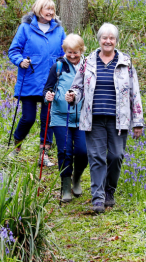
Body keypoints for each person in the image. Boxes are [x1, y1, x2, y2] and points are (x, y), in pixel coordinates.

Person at [66, 23, 144, 214]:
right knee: (96, 157)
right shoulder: (88, 62)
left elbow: (135, 93)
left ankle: (110, 190)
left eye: (112, 38)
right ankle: (98, 198)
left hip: (120, 119)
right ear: (99, 39)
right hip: (93, 118)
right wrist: (72, 96)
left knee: (116, 156)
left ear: (116, 41)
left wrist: (138, 121)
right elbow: (78, 87)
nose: (108, 41)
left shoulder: (126, 61)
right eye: (104, 38)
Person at [8, 0, 65, 166]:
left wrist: (63, 64)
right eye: (47, 9)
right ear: (38, 10)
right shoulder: (25, 28)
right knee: (28, 118)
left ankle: (44, 154)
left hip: (51, 82)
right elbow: (14, 50)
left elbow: (66, 51)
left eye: (52, 10)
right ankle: (16, 146)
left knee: (48, 118)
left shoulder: (59, 30)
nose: (50, 12)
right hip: (30, 80)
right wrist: (20, 60)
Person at [44, 34, 87, 203]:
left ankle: (77, 178)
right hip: (61, 117)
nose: (73, 56)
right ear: (65, 51)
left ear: (81, 50)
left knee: (83, 152)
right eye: (69, 52)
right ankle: (66, 185)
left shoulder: (88, 67)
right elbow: (47, 89)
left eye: (76, 52)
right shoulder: (58, 67)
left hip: (83, 116)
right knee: (64, 151)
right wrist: (47, 95)